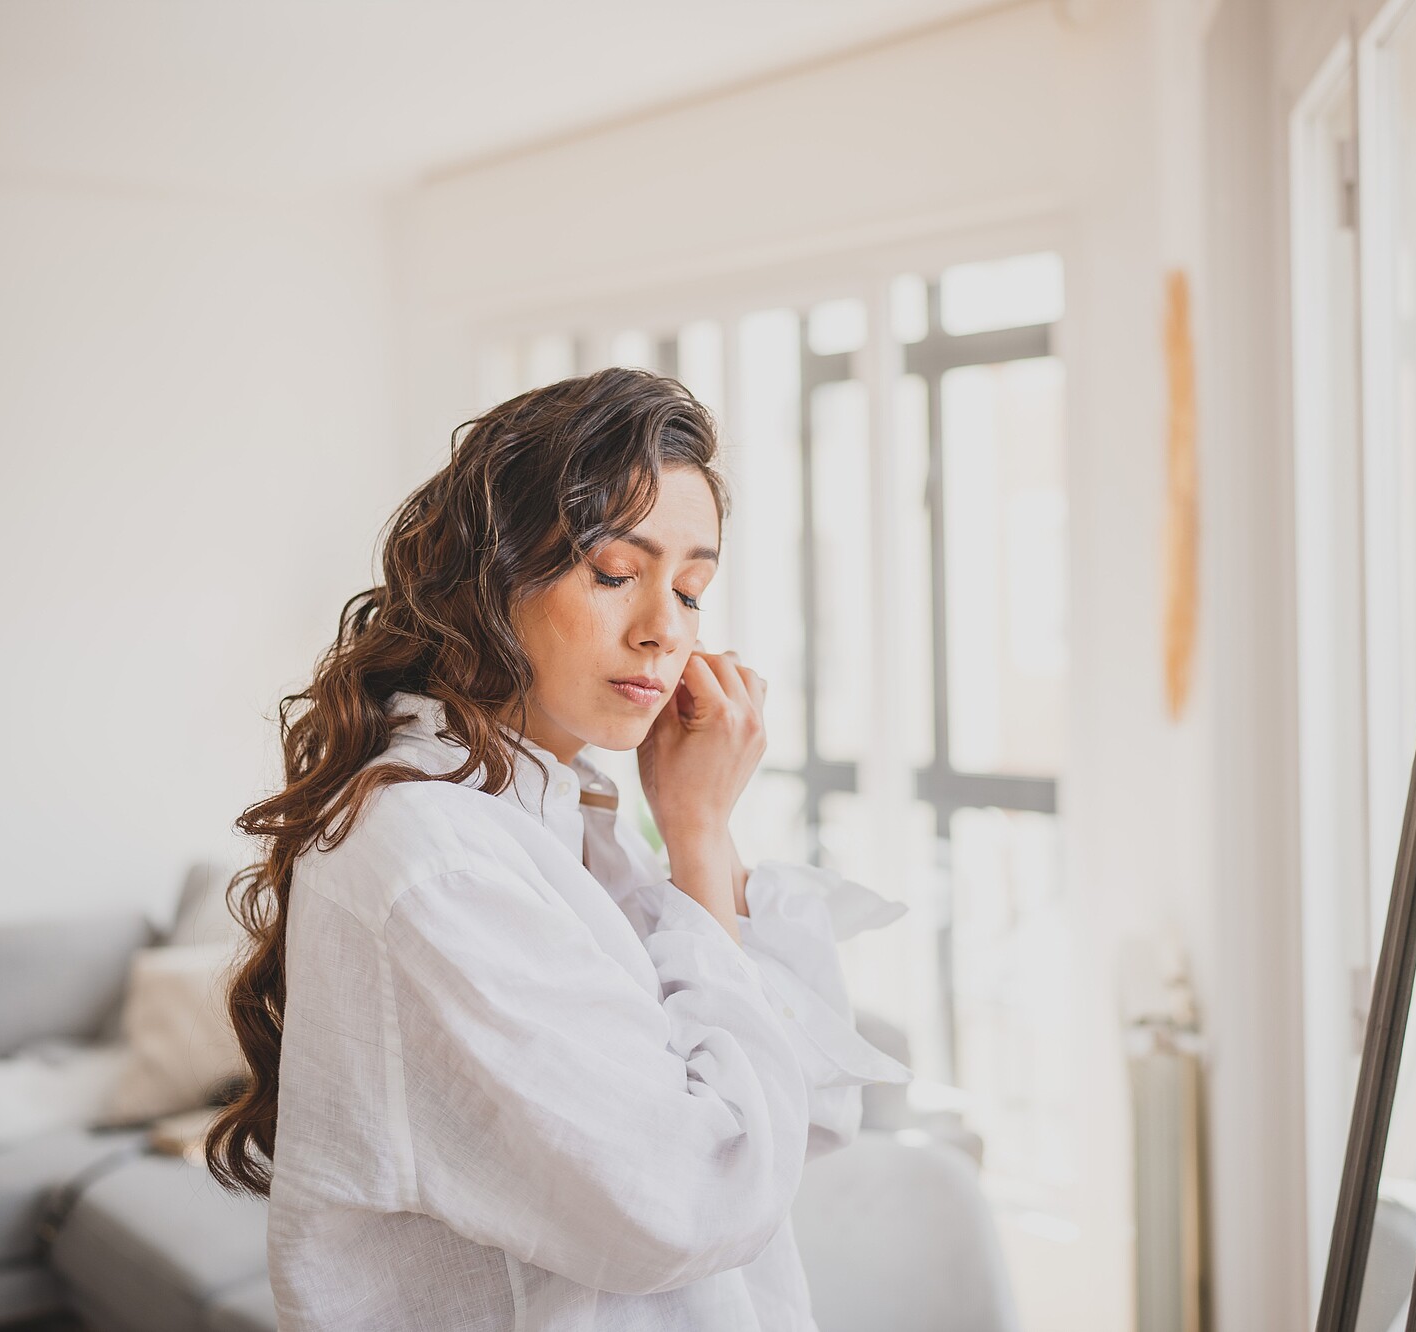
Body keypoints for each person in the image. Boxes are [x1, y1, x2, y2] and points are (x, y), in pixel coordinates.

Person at [203, 366, 914, 1331]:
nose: (665, 629)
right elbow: (698, 1196)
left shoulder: (559, 813)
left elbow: (810, 1116)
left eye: (693, 588)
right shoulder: (434, 859)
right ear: (490, 576)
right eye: (617, 575)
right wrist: (697, 836)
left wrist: (701, 832)